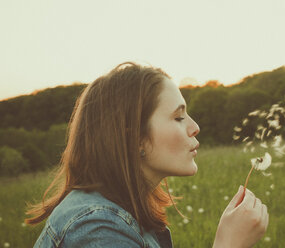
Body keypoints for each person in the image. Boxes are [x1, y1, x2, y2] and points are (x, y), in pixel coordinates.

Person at [25, 62, 269, 247]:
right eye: (178, 117)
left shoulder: (119, 213)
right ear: (135, 138)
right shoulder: (96, 227)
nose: (195, 127)